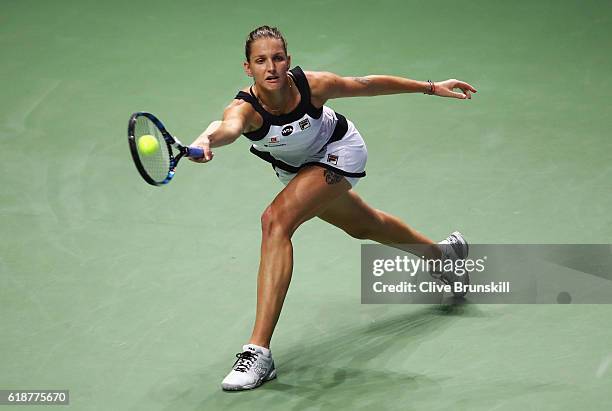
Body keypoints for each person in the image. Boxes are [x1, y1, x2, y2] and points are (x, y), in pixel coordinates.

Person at [190, 25, 477, 391]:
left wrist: (432, 86)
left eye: (278, 58)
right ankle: (443, 256)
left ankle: (258, 351)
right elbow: (227, 127)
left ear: (288, 60)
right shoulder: (245, 109)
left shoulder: (313, 85)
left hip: (339, 150)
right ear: (248, 68)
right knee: (364, 225)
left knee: (275, 222)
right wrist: (206, 139)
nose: (271, 67)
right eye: (261, 61)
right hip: (297, 172)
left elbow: (368, 84)